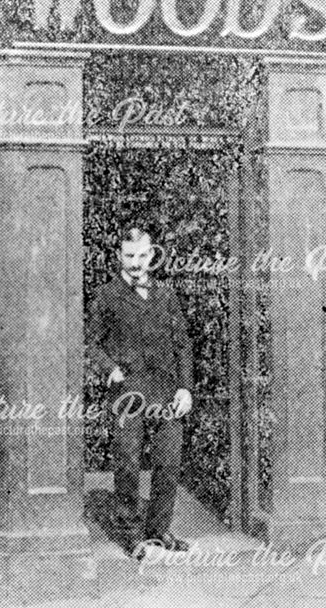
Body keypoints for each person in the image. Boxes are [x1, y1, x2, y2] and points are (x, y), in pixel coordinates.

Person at [86, 226, 193, 559]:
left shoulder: (165, 294)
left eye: (142, 255)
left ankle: (159, 531)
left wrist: (186, 388)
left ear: (151, 255)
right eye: (129, 256)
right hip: (127, 393)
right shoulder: (107, 295)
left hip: (166, 393)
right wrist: (109, 369)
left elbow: (182, 344)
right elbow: (91, 343)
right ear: (120, 255)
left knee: (168, 462)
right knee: (129, 463)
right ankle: (131, 536)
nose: (136, 262)